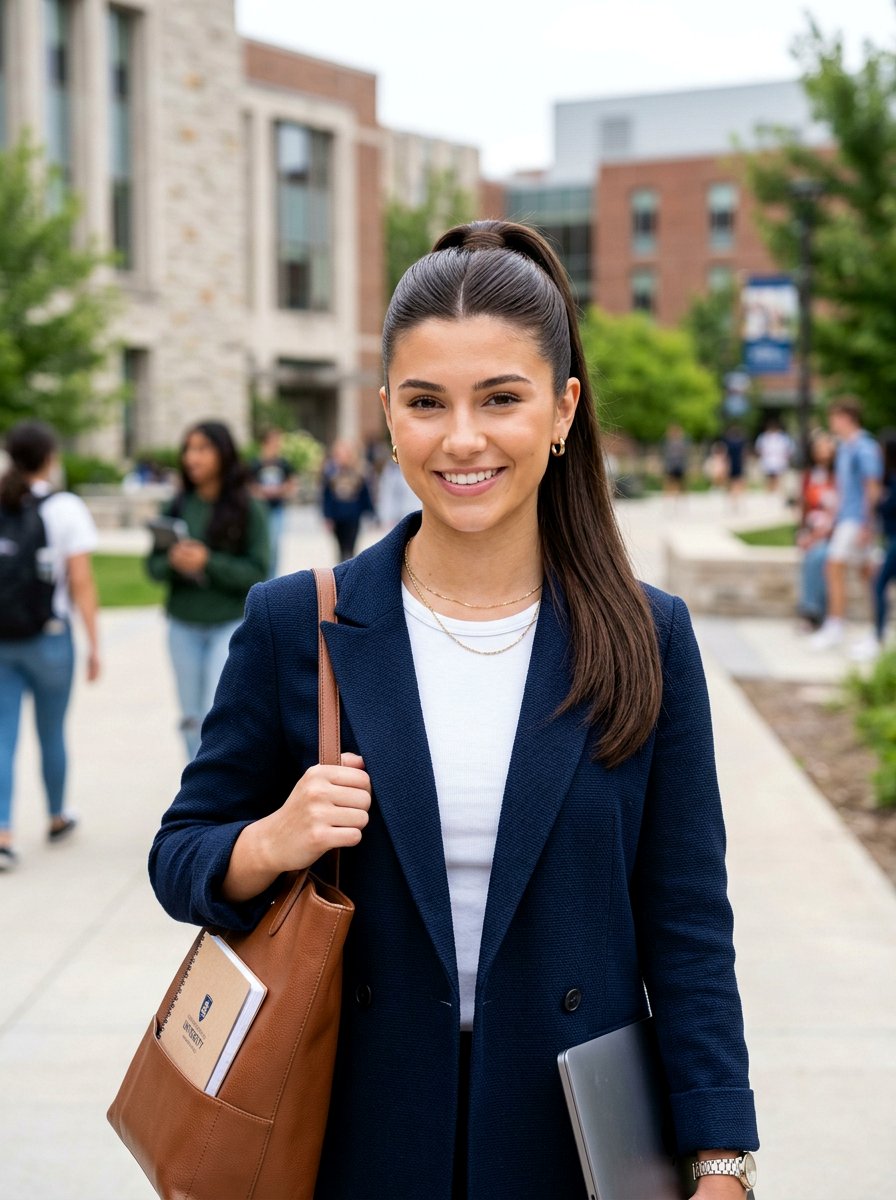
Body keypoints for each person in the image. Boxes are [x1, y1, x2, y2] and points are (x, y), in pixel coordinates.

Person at [149, 221, 759, 1199]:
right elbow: (180, 856)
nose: (461, 438)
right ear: (388, 413)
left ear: (560, 411)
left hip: (570, 1145)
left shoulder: (646, 637)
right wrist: (269, 839)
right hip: (354, 1134)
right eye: (426, 402)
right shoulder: (293, 624)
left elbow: (684, 920)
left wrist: (720, 1155)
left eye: (500, 399)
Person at [0, 421, 100, 871]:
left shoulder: (3, 499)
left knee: (3, 738)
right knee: (51, 733)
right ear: (50, 457)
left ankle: (3, 832)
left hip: (4, 639)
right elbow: (80, 580)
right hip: (51, 639)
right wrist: (95, 643)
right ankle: (57, 816)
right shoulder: (65, 508)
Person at [146, 421, 269, 760]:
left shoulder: (249, 508)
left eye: (202, 448)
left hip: (228, 626)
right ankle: (195, 788)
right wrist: (173, 560)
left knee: (216, 713)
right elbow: (152, 568)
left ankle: (217, 793)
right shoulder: (175, 506)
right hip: (182, 625)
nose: (192, 457)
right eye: (188, 449)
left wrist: (208, 562)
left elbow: (259, 572)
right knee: (189, 716)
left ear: (223, 453)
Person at [809, 399, 883, 650]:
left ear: (846, 418)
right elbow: (843, 490)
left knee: (834, 566)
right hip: (847, 519)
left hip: (857, 520)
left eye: (835, 417)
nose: (832, 423)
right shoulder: (845, 448)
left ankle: (838, 625)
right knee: (866, 574)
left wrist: (868, 524)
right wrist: (831, 521)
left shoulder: (864, 447)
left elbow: (872, 487)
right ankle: (871, 629)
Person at [850, 428, 896, 661]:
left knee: (879, 585)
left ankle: (878, 637)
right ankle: (877, 635)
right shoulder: (888, 478)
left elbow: (884, 506)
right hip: (890, 540)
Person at [796, 429, 838, 629]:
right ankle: (811, 609)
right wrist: (804, 533)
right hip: (813, 532)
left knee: (819, 557)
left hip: (833, 533)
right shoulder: (808, 476)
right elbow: (804, 508)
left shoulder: (838, 476)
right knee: (811, 554)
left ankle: (812, 610)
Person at [249, 427, 297, 578]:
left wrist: (280, 490)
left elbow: (292, 485)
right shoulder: (256, 464)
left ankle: (272, 578)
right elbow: (248, 486)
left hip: (277, 509)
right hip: (260, 510)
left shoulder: (283, 463)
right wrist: (261, 492)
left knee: (274, 545)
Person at [320, 438, 375, 561]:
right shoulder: (331, 473)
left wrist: (371, 512)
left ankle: (349, 572)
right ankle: (341, 572)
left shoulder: (359, 472)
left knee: (350, 547)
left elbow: (365, 494)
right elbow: (326, 497)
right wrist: (327, 516)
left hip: (353, 515)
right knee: (340, 548)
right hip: (337, 516)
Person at [754, 416, 794, 494]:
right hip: (768, 461)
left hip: (779, 461)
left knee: (777, 478)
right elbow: (759, 449)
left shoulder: (782, 437)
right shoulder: (764, 437)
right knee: (769, 479)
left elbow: (789, 449)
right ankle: (770, 493)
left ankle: (776, 493)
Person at [661, 423, 689, 498]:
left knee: (681, 483)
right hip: (670, 465)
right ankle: (669, 498)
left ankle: (680, 498)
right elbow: (665, 454)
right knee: (669, 482)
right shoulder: (668, 442)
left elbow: (685, 454)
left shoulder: (682, 442)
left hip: (679, 465)